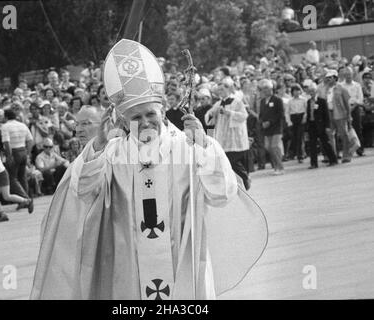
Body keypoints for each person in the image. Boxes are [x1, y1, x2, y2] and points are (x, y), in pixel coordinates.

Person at [31, 39, 267, 300]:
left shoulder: (187, 149)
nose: (144, 122)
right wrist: (97, 144)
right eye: (136, 117)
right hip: (128, 268)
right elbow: (82, 190)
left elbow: (222, 194)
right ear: (122, 119)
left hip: (182, 265)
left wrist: (205, 145)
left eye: (150, 114)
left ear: (163, 110)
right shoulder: (113, 153)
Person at [206, 81, 251, 190]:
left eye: (222, 89)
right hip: (223, 136)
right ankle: (239, 180)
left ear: (228, 89)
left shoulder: (237, 101)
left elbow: (244, 116)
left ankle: (245, 178)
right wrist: (212, 114)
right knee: (227, 160)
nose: (220, 92)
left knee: (233, 159)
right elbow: (208, 118)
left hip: (235, 136)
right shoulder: (218, 104)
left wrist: (228, 113)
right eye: (219, 90)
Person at [1, 108, 34, 200]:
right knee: (22, 177)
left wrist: (9, 155)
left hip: (14, 151)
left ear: (6, 117)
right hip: (23, 150)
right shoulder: (22, 125)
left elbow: (6, 142)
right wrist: (28, 153)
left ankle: (25, 199)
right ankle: (24, 199)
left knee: (12, 178)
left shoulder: (5, 126)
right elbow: (30, 140)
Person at [306, 83, 338, 169]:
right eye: (310, 91)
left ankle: (333, 160)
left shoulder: (322, 101)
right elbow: (308, 114)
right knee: (312, 145)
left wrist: (327, 126)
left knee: (325, 143)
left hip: (321, 125)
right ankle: (313, 163)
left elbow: (326, 115)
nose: (311, 92)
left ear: (316, 91)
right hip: (312, 125)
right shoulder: (309, 102)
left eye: (313, 91)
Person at [325, 69, 353, 163]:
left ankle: (346, 155)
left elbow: (347, 103)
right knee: (330, 135)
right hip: (328, 113)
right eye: (327, 78)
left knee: (343, 135)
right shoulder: (326, 89)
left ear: (335, 78)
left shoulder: (341, 88)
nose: (328, 79)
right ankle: (333, 156)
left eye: (330, 77)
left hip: (340, 114)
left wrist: (349, 115)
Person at [259, 79, 285, 175]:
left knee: (274, 147)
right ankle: (276, 166)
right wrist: (262, 122)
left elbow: (280, 114)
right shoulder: (262, 101)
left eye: (267, 88)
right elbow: (261, 114)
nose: (265, 91)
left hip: (276, 127)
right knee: (269, 148)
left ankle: (280, 167)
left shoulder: (277, 100)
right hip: (267, 128)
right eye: (263, 89)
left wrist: (270, 122)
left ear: (271, 89)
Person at [285, 84, 307, 163]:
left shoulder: (303, 100)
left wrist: (304, 118)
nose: (296, 92)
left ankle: (300, 155)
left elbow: (306, 110)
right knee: (294, 137)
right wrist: (289, 122)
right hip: (293, 118)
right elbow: (287, 112)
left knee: (300, 137)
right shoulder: (290, 101)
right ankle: (294, 153)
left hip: (301, 117)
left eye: (297, 90)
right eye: (294, 91)